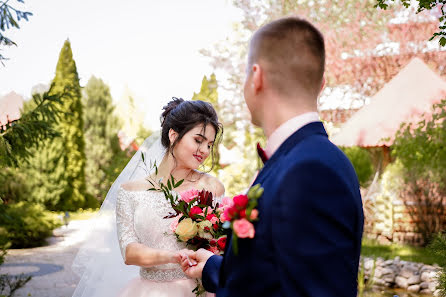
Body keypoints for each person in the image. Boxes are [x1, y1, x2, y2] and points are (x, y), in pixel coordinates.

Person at [180, 16, 364, 297]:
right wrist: (214, 268)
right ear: (322, 83)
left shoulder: (310, 171)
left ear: (257, 77)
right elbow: (271, 272)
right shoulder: (304, 159)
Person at [71, 98, 224, 297]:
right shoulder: (130, 191)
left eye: (210, 145)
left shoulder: (212, 187)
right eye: (198, 140)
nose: (204, 151)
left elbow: (221, 242)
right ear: (173, 135)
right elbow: (129, 252)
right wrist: (173, 257)